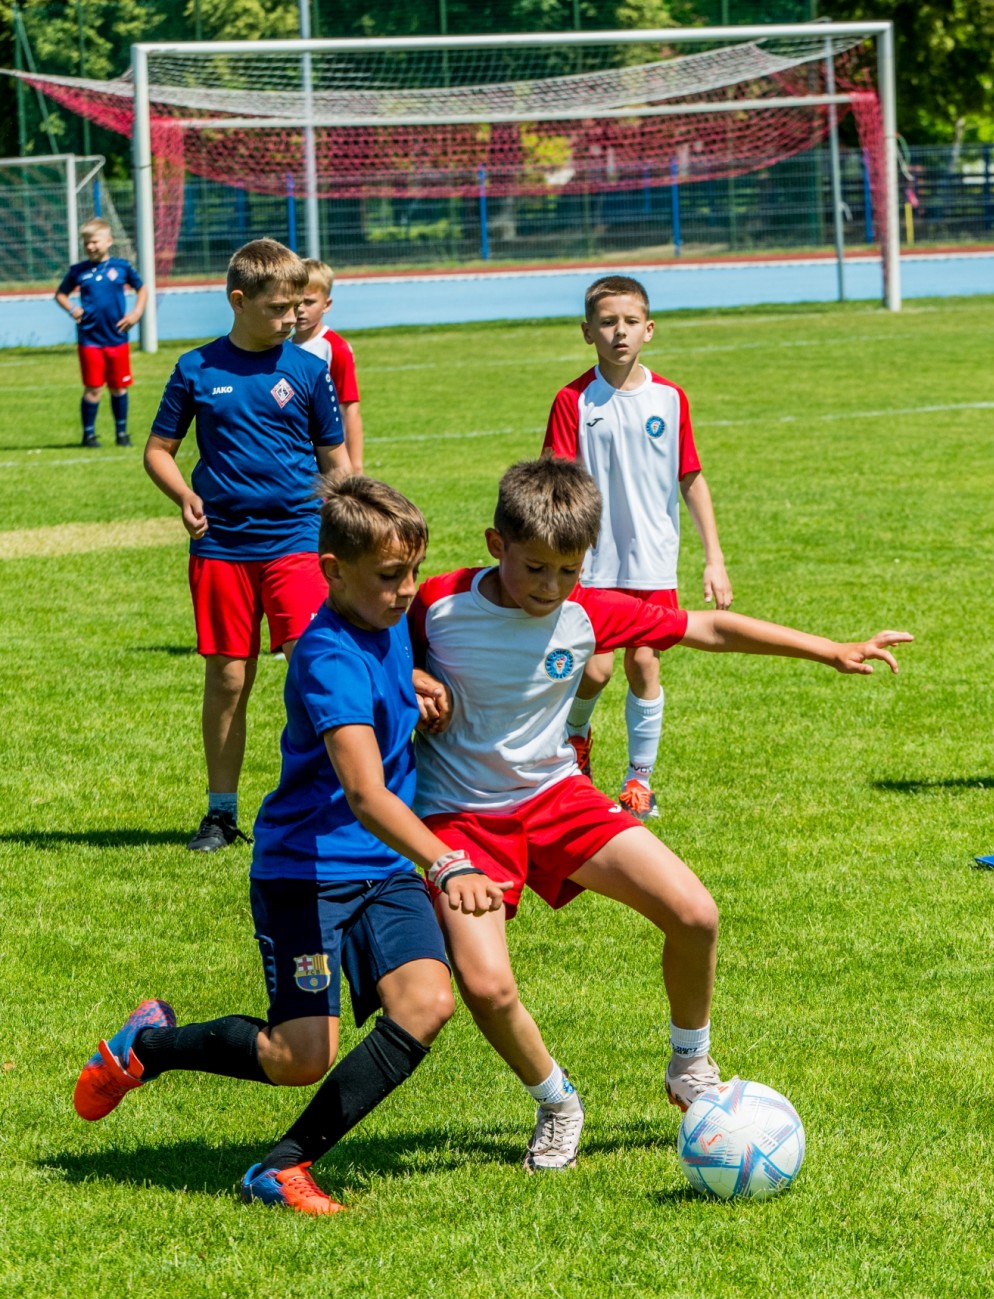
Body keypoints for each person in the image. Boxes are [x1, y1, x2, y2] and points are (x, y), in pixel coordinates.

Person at [410, 457, 912, 1172]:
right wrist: (410, 675)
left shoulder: (589, 611)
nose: (550, 587)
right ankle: (557, 1102)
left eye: (568, 570)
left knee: (695, 912)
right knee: (487, 987)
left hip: (555, 797)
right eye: (535, 568)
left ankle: (690, 1065)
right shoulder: (437, 602)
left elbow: (708, 628)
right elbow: (368, 650)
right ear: (497, 545)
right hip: (460, 817)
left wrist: (829, 649)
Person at [73, 477, 510, 1214]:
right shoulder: (327, 657)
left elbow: (381, 671)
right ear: (332, 570)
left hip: (381, 871)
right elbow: (365, 793)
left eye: (413, 570)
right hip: (307, 878)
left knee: (428, 1001)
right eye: (390, 576)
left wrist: (410, 679)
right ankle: (146, 1047)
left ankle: (284, 1166)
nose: (407, 590)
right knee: (298, 1056)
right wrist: (447, 861)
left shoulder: (382, 620)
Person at [143, 238, 351, 853]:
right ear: (239, 301)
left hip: (296, 541)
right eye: (279, 308)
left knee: (312, 669)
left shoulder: (308, 370)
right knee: (229, 678)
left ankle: (321, 804)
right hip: (222, 547)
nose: (292, 318)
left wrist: (345, 526)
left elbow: (336, 463)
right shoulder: (196, 368)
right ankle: (221, 812)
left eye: (298, 307)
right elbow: (159, 451)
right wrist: (184, 495)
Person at [543, 273, 732, 821]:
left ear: (649, 329)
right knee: (594, 669)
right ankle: (575, 740)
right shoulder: (573, 400)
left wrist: (714, 558)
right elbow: (557, 481)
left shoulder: (670, 398)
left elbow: (690, 477)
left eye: (630, 322)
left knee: (644, 664)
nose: (619, 332)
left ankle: (638, 781)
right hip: (592, 562)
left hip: (653, 559)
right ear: (587, 332)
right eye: (607, 323)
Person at [54, 217, 147, 449]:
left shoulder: (122, 267)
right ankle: (88, 435)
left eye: (94, 241)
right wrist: (72, 309)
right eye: (86, 242)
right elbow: (60, 294)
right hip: (90, 340)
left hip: (117, 338)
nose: (90, 246)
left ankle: (121, 433)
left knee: (118, 387)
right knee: (93, 388)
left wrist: (136, 313)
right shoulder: (78, 271)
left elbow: (142, 288)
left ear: (108, 241)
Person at [294, 258, 364, 475]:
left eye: (309, 302)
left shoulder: (335, 348)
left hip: (328, 459)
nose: (300, 310)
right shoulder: (281, 347)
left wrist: (355, 466)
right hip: (294, 458)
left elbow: (350, 410)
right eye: (295, 301)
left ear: (327, 304)